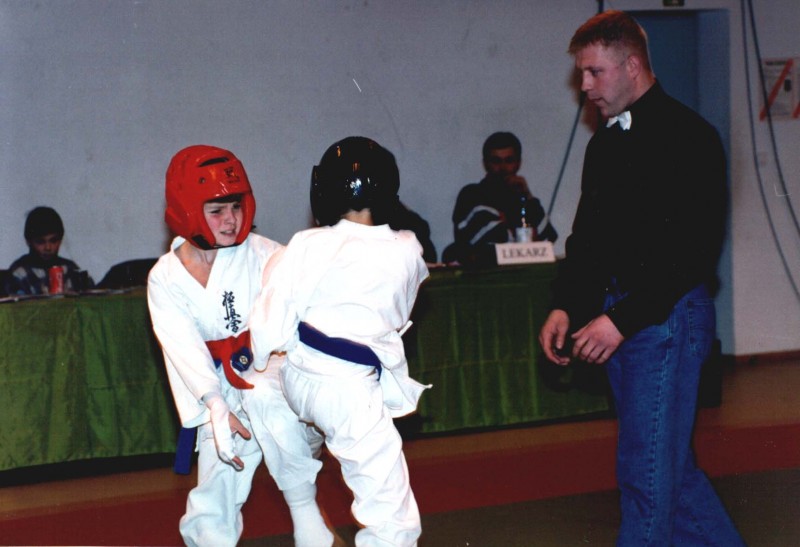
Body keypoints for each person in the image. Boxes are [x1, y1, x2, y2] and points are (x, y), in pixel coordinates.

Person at [539, 11, 744, 546]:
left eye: (595, 72)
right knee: (671, 474)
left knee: (647, 476)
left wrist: (620, 320)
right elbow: (588, 241)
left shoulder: (690, 137)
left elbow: (693, 254)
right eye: (581, 74)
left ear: (632, 65)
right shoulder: (604, 143)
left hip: (666, 320)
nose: (585, 87)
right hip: (626, 320)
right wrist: (566, 304)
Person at [147, 145, 334, 547]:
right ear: (187, 210)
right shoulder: (165, 277)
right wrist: (214, 402)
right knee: (215, 496)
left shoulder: (268, 255)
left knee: (265, 398)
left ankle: (307, 518)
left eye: (235, 206)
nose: (231, 219)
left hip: (279, 380)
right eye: (217, 210)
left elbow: (307, 319)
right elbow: (182, 347)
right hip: (217, 388)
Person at [250, 136, 430, 546]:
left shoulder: (307, 242)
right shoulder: (407, 247)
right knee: (390, 509)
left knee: (268, 392)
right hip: (350, 390)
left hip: (299, 376)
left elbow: (270, 321)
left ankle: (304, 473)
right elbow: (399, 315)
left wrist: (259, 359)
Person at [442, 131, 557, 266]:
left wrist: (528, 196)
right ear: (485, 164)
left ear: (518, 163)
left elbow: (548, 238)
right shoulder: (472, 194)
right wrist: (517, 233)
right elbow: (493, 237)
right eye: (496, 161)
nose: (503, 168)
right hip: (484, 274)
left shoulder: (523, 199)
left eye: (509, 161)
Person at [5, 206, 93, 295]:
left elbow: (93, 298)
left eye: (53, 241)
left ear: (60, 240)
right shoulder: (19, 273)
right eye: (40, 242)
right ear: (28, 241)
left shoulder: (70, 269)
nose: (48, 247)